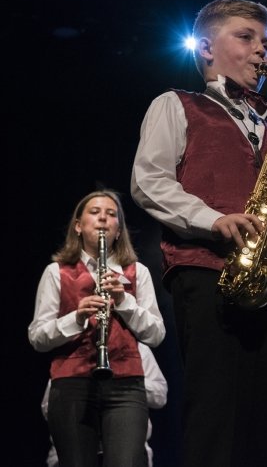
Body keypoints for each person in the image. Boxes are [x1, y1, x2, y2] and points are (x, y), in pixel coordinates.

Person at [130, 0, 267, 467]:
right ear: (205, 48)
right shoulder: (176, 105)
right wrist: (212, 219)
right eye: (246, 37)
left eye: (266, 42)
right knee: (215, 416)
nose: (262, 50)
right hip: (208, 272)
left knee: (265, 421)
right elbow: (148, 180)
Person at [28, 189, 166, 467]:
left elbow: (155, 334)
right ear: (78, 226)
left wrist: (123, 301)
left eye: (111, 214)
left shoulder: (137, 272)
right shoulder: (56, 272)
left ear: (119, 230)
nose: (103, 218)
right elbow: (38, 337)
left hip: (126, 385)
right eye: (94, 212)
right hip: (71, 384)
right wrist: (77, 317)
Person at [42, 342, 168, 467]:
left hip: (128, 449)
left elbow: (160, 396)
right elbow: (48, 407)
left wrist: (127, 379)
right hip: (76, 448)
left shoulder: (136, 348)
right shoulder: (72, 348)